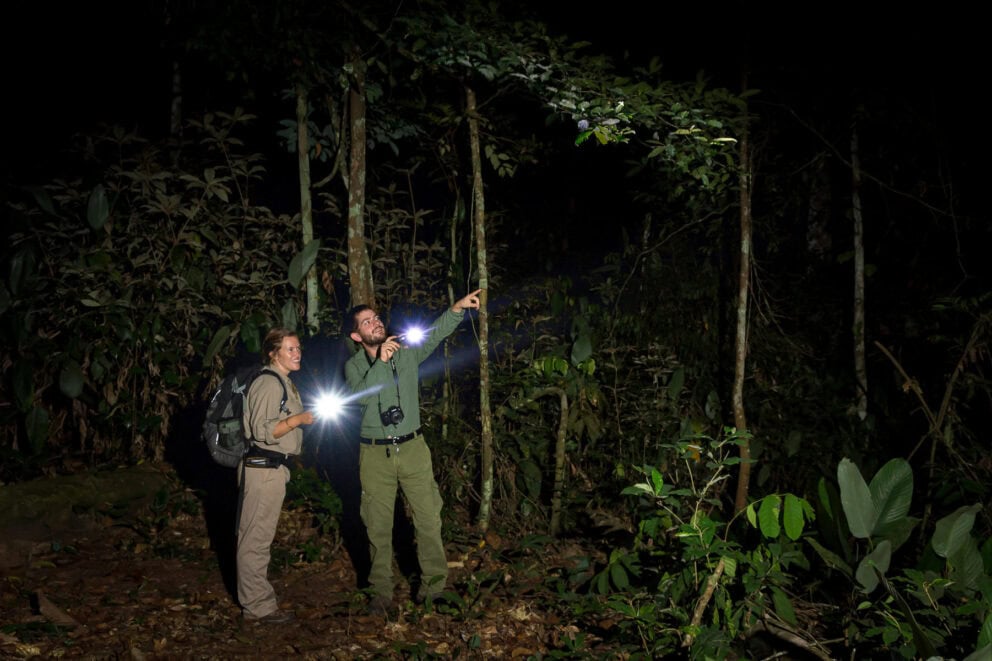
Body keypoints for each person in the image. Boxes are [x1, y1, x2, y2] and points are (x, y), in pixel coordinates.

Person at [345, 289, 482, 616]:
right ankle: (380, 592)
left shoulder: (405, 353)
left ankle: (434, 589)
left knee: (428, 518)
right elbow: (361, 397)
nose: (375, 323)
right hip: (375, 455)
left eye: (376, 318)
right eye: (367, 322)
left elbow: (434, 337)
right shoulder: (353, 366)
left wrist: (456, 309)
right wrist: (381, 363)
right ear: (356, 335)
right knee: (377, 525)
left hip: (413, 448)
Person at [237, 328, 315, 623]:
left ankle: (258, 601)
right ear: (273, 353)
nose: (297, 354)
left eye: (298, 348)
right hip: (262, 469)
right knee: (254, 539)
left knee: (260, 536)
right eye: (290, 349)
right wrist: (300, 419)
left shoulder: (284, 382)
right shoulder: (268, 383)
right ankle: (257, 607)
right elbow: (263, 431)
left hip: (273, 469)